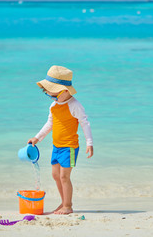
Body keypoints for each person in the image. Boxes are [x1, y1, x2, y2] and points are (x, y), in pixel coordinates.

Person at [28, 65, 93, 215]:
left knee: (64, 176)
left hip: (69, 147)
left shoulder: (75, 105)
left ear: (65, 91)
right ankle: (64, 203)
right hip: (56, 146)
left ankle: (68, 206)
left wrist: (89, 143)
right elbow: (49, 124)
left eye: (54, 95)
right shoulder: (54, 106)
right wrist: (37, 138)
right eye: (49, 95)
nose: (52, 98)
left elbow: (84, 122)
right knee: (55, 175)